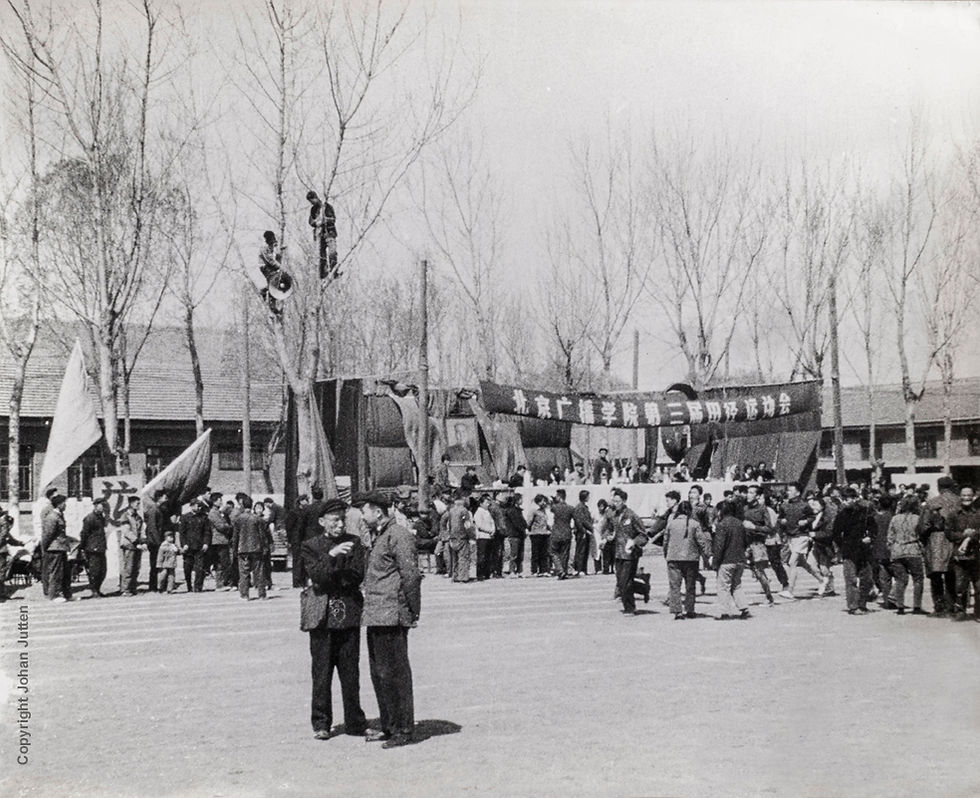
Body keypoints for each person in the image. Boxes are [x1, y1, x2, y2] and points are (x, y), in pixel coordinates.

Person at [354, 492, 421, 749]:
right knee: (379, 673)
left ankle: (403, 729)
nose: (362, 516)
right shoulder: (380, 535)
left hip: (392, 615)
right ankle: (389, 725)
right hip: (376, 614)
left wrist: (412, 610)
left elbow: (411, 576)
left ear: (378, 512)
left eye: (365, 511)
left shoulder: (399, 535)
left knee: (395, 674)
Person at [300, 498, 368, 740]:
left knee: (351, 673)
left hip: (348, 613)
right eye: (334, 520)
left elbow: (357, 575)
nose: (340, 524)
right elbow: (316, 575)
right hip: (322, 617)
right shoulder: (310, 546)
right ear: (322, 522)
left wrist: (331, 575)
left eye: (342, 519)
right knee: (321, 673)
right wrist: (331, 556)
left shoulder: (355, 542)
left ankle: (355, 722)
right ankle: (321, 723)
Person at [663, 500, 711, 620]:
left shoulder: (671, 524)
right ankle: (690, 609)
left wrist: (667, 554)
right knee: (690, 585)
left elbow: (665, 541)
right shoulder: (695, 524)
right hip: (691, 558)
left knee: (674, 586)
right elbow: (701, 541)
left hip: (673, 557)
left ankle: (677, 611)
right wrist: (708, 554)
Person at [918, 476, 959, 617]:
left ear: (939, 487)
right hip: (956, 540)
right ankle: (953, 605)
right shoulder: (959, 501)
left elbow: (924, 525)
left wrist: (922, 538)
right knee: (952, 574)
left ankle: (939, 606)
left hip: (936, 539)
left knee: (936, 575)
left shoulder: (932, 503)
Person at [832, 488, 876, 615]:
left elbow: (873, 527)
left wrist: (870, 537)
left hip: (864, 550)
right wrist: (843, 546)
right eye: (843, 499)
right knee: (851, 579)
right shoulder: (841, 515)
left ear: (855, 498)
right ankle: (853, 606)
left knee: (867, 579)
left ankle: (862, 604)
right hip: (849, 551)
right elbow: (835, 534)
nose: (845, 502)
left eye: (847, 499)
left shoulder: (865, 513)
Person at [779, 483, 822, 599]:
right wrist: (782, 521)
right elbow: (780, 518)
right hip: (790, 537)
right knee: (803, 563)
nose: (788, 492)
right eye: (787, 491)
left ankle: (790, 590)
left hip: (802, 536)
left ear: (797, 493)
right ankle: (822, 580)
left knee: (792, 562)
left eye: (790, 490)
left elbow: (812, 516)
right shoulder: (784, 505)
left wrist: (806, 522)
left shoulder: (804, 506)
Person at [945, 486, 980, 622]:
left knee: (978, 585)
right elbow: (948, 533)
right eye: (964, 495)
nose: (966, 498)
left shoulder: (978, 514)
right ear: (960, 496)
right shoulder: (953, 514)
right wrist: (962, 535)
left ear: (974, 496)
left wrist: (972, 535)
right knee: (960, 585)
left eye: (969, 495)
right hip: (959, 555)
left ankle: (978, 612)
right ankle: (960, 610)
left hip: (976, 555)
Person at [886, 495, 926, 615]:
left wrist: (892, 549)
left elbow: (890, 538)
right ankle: (917, 606)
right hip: (913, 550)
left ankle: (900, 606)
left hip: (898, 550)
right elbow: (921, 536)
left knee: (900, 580)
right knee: (918, 579)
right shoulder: (918, 519)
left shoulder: (895, 518)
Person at [610, 489, 648, 615]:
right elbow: (610, 530)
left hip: (630, 554)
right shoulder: (614, 515)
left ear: (624, 501)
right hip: (617, 552)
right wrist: (608, 537)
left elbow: (643, 535)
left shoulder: (631, 515)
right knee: (621, 582)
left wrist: (634, 542)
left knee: (625, 581)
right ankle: (643, 588)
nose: (615, 503)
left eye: (617, 501)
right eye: (614, 501)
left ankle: (630, 607)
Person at [712, 500, 751, 620]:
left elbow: (719, 546)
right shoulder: (740, 523)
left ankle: (725, 612)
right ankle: (744, 608)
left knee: (723, 587)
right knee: (737, 585)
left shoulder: (722, 525)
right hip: (740, 559)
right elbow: (745, 541)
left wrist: (715, 562)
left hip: (726, 560)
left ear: (721, 511)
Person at [233, 495, 272, 600]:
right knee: (259, 572)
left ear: (242, 505)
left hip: (242, 548)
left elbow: (235, 536)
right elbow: (262, 535)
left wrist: (234, 548)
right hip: (256, 548)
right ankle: (262, 594)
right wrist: (265, 547)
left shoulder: (238, 519)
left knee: (244, 573)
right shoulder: (258, 519)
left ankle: (244, 594)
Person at [42, 495, 73, 602]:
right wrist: (45, 548)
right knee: (56, 572)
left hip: (61, 547)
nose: (65, 505)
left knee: (65, 572)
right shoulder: (52, 517)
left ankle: (66, 594)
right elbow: (47, 534)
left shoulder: (59, 515)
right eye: (64, 503)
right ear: (59, 504)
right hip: (54, 548)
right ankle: (54, 595)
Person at [178, 500, 210, 593]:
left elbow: (207, 531)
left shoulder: (204, 517)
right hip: (188, 546)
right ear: (191, 506)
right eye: (197, 506)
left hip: (200, 546)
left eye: (200, 506)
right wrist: (184, 544)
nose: (199, 508)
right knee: (187, 567)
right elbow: (182, 533)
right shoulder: (185, 517)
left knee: (200, 567)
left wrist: (206, 543)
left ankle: (198, 587)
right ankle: (189, 585)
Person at [79, 499, 109, 598]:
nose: (103, 507)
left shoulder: (100, 517)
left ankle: (98, 589)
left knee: (103, 571)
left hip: (101, 548)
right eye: (101, 505)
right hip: (92, 549)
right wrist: (83, 547)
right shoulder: (89, 518)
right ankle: (94, 591)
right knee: (94, 571)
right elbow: (84, 533)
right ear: (95, 506)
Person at [447, 491, 475, 583]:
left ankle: (454, 576)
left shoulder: (451, 511)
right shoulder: (464, 511)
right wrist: (472, 536)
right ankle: (463, 577)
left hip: (453, 537)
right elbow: (467, 525)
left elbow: (449, 525)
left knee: (454, 558)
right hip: (462, 537)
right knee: (463, 557)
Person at [208, 493, 234, 591]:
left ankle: (222, 583)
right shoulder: (213, 513)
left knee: (222, 563)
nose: (221, 501)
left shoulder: (218, 512)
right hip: (219, 541)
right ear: (214, 501)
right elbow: (221, 526)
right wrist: (229, 526)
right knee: (223, 563)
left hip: (221, 540)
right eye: (219, 500)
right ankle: (222, 584)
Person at [143, 490, 166, 592]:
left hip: (155, 541)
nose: (166, 500)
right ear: (160, 498)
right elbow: (152, 528)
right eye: (165, 498)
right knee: (154, 565)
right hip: (154, 543)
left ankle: (156, 586)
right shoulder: (154, 510)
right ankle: (153, 587)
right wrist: (158, 542)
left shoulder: (158, 509)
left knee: (157, 564)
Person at [549, 489, 574, 579]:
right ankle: (564, 571)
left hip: (556, 532)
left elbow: (551, 508)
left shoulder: (555, 507)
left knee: (553, 552)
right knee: (564, 554)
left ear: (559, 497)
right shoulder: (570, 508)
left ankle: (560, 570)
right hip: (567, 532)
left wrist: (553, 501)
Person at [119, 518, 146, 596]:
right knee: (128, 568)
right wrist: (136, 541)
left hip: (137, 545)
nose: (137, 505)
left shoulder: (138, 517)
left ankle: (133, 588)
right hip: (129, 545)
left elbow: (141, 530)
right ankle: (125, 589)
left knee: (136, 568)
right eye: (136, 504)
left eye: (138, 504)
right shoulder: (125, 516)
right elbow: (126, 532)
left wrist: (143, 542)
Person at [503, 493, 527, 577]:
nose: (522, 501)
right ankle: (512, 571)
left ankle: (519, 571)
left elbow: (523, 522)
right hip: (514, 534)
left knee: (520, 554)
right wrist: (523, 529)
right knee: (514, 554)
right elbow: (516, 523)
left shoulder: (519, 510)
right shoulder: (511, 511)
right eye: (521, 499)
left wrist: (525, 527)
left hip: (520, 534)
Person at [473, 494, 496, 581]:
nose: (488, 504)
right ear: (481, 503)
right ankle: (480, 574)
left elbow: (492, 522)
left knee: (488, 556)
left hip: (489, 537)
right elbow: (479, 525)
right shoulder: (478, 512)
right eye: (486, 502)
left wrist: (493, 530)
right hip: (482, 537)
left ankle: (487, 573)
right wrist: (489, 530)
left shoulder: (488, 512)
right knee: (481, 556)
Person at [527, 494, 551, 576]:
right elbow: (529, 522)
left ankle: (543, 570)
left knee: (544, 553)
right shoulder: (534, 510)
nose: (544, 503)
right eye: (542, 501)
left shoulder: (544, 510)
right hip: (536, 533)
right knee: (536, 553)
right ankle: (534, 570)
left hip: (544, 533)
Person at [572, 490, 594, 575]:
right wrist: (589, 528)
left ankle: (584, 569)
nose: (589, 498)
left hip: (586, 531)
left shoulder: (584, 507)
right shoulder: (579, 507)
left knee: (585, 550)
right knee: (581, 550)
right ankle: (579, 568)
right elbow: (581, 520)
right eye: (588, 496)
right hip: (581, 531)